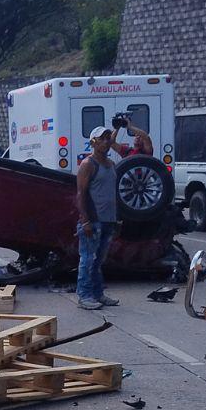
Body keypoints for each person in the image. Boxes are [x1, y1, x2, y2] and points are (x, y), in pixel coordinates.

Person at [75, 124, 121, 310]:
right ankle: (84, 295)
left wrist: (117, 218)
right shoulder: (88, 165)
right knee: (87, 259)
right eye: (102, 138)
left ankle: (97, 293)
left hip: (108, 219)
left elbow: (113, 193)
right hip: (93, 220)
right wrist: (85, 220)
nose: (106, 142)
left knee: (99, 260)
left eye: (108, 138)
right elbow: (81, 194)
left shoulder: (111, 165)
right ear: (93, 142)